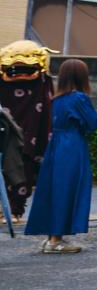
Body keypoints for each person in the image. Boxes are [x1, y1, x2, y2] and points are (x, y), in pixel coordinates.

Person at [25, 58, 97, 252]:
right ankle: (56, 240)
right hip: (72, 145)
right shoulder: (79, 98)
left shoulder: (55, 99)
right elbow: (92, 124)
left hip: (55, 145)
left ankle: (52, 236)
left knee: (53, 189)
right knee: (68, 189)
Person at [0, 39, 53, 219]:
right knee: (20, 168)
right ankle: (12, 209)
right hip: (19, 132)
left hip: (27, 133)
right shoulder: (42, 83)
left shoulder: (41, 83)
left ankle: (14, 208)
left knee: (22, 168)